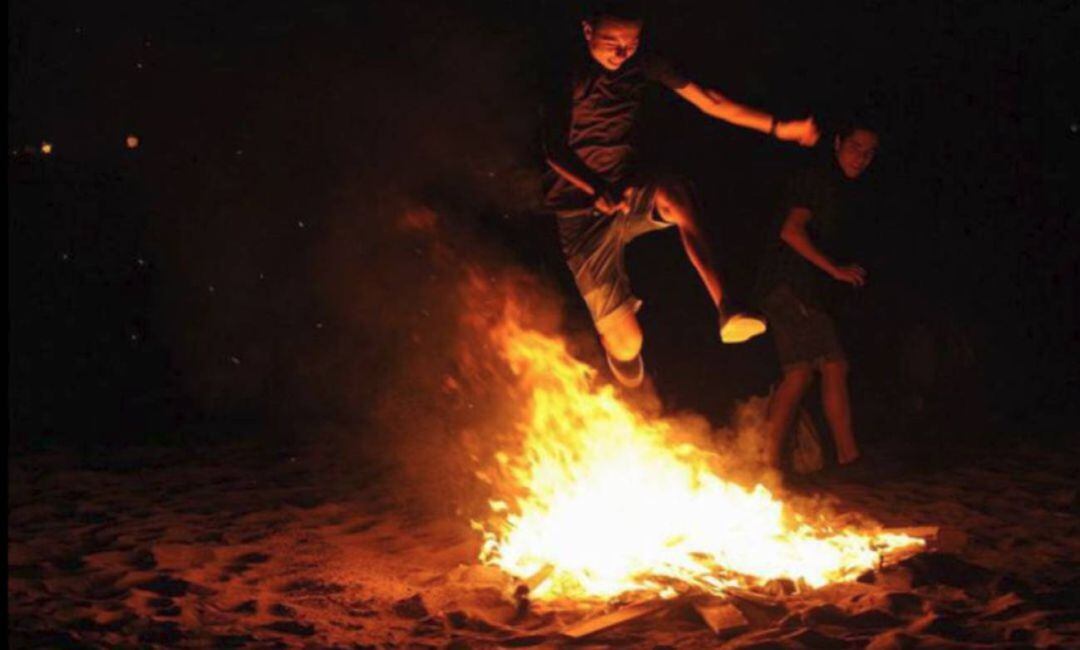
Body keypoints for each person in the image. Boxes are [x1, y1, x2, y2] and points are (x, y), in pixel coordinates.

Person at [543, 1, 819, 387]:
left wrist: (779, 128)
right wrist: (595, 188)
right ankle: (618, 350)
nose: (622, 52)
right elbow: (551, 148)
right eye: (612, 42)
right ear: (588, 30)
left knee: (674, 191)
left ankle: (728, 307)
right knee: (628, 344)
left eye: (632, 41)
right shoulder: (566, 72)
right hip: (581, 219)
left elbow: (711, 100)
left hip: (628, 195)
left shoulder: (644, 64)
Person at [756, 119, 881, 469]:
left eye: (869, 154)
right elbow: (791, 231)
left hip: (793, 289)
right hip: (789, 287)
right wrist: (835, 271)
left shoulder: (839, 188)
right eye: (856, 148)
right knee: (833, 364)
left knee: (801, 373)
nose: (862, 158)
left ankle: (769, 461)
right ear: (838, 142)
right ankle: (847, 456)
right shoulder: (818, 179)